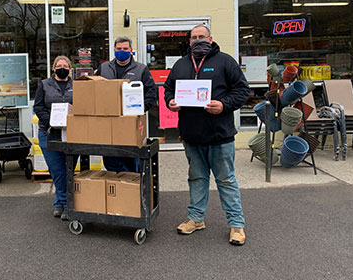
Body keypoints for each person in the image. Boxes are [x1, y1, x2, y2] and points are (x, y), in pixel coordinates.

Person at [163, 25, 250, 246]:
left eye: (201, 37)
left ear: (211, 38)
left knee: (226, 180)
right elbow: (168, 89)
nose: (197, 40)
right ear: (189, 40)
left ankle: (236, 225)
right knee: (196, 179)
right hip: (192, 135)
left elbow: (242, 91)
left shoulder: (225, 61)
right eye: (194, 37)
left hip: (219, 135)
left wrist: (223, 105)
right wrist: (170, 102)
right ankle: (195, 219)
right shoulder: (181, 64)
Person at [96, 36, 157, 172]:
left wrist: (140, 110)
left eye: (125, 48)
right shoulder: (104, 68)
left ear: (131, 50)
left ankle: (133, 186)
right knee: (110, 160)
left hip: (131, 123)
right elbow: (95, 91)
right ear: (114, 50)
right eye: (119, 49)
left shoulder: (141, 69)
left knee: (133, 160)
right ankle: (123, 184)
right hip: (109, 122)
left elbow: (151, 92)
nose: (121, 51)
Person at [33, 56, 77, 220]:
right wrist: (51, 121)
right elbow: (38, 106)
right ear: (53, 68)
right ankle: (65, 202)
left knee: (69, 168)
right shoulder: (44, 85)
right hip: (49, 132)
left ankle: (62, 203)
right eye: (59, 65)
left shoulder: (77, 85)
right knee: (57, 170)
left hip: (72, 133)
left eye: (65, 65)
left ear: (70, 69)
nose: (62, 68)